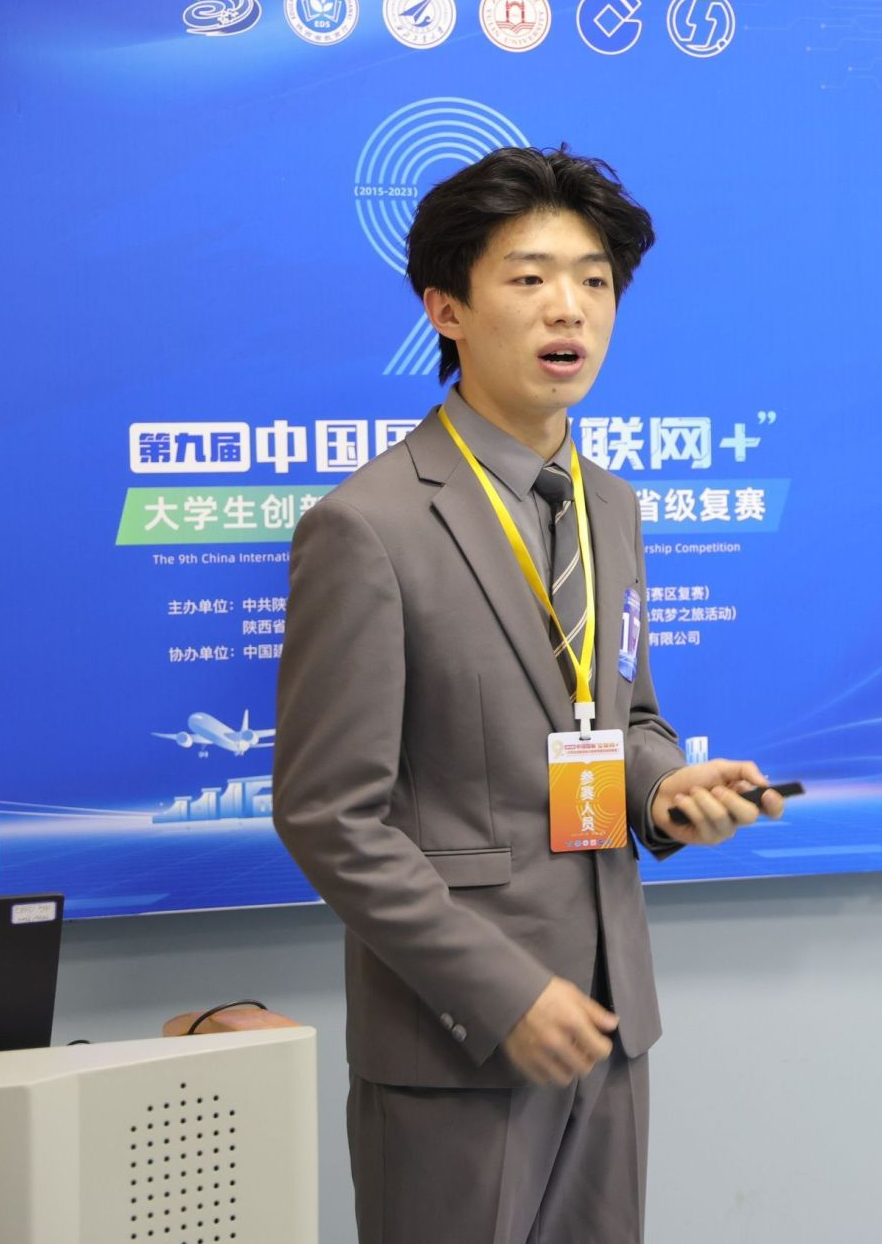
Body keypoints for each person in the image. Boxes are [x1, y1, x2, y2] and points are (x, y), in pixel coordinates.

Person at [274, 145, 779, 1242]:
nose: (570, 308)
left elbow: (625, 717)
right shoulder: (367, 526)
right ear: (445, 309)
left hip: (608, 1013)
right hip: (457, 1039)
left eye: (594, 280)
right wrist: (502, 991)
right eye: (530, 277)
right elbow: (326, 817)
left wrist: (665, 789)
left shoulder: (610, 503)